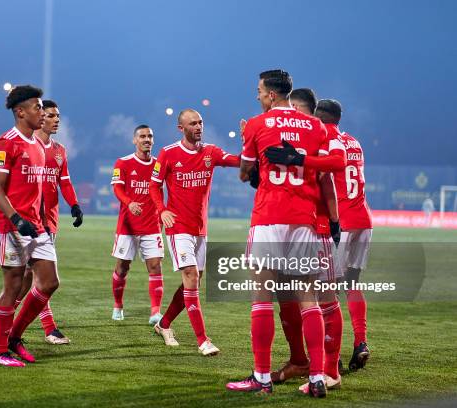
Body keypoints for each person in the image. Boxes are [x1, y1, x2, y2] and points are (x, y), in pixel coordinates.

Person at [226, 70, 328, 397]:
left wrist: (251, 154)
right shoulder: (316, 126)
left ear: (271, 95)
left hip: (269, 217)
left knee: (262, 299)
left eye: (258, 91)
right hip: (304, 220)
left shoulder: (258, 124)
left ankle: (262, 377)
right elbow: (323, 171)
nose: (257, 96)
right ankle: (316, 377)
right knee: (308, 301)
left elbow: (245, 173)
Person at [265, 89, 347, 391]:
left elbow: (335, 169)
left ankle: (329, 370)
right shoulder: (297, 137)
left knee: (323, 299)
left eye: (296, 110)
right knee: (287, 297)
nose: (291, 116)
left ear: (308, 111)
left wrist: (335, 219)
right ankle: (300, 360)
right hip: (292, 227)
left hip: (318, 226)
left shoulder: (323, 133)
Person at [149, 109, 240, 356]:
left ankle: (164, 324)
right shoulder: (168, 153)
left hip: (200, 228)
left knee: (193, 280)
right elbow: (154, 186)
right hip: (178, 227)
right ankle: (203, 340)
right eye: (193, 123)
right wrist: (162, 210)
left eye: (200, 122)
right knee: (190, 276)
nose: (198, 126)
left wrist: (251, 144)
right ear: (181, 128)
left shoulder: (211, 152)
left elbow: (238, 161)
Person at [0, 85, 62, 367]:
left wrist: (39, 221)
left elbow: (37, 192)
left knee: (50, 282)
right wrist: (16, 218)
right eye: (37, 108)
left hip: (36, 227)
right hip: (9, 226)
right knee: (13, 286)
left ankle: (14, 337)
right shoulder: (6, 143)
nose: (42, 113)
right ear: (20, 112)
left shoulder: (39, 146)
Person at [13, 99, 83, 345]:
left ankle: (11, 319)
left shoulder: (59, 150)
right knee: (35, 278)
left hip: (48, 222)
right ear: (41, 117)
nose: (57, 120)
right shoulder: (26, 147)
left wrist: (74, 204)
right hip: (25, 222)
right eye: (52, 115)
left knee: (33, 278)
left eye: (58, 116)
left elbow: (64, 181)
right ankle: (46, 328)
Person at [316, 99, 373, 372]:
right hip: (363, 218)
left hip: (342, 223)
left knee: (325, 290)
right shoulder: (354, 142)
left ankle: (332, 355)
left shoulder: (324, 139)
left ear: (319, 117)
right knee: (353, 282)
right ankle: (360, 342)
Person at [110, 124, 164, 324]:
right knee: (123, 268)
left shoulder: (159, 165)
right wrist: (129, 203)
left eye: (150, 136)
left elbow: (161, 192)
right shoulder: (123, 163)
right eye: (142, 136)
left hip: (152, 225)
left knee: (155, 266)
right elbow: (117, 189)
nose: (147, 139)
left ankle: (155, 312)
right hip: (128, 226)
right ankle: (118, 305)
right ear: (135, 140)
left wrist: (162, 215)